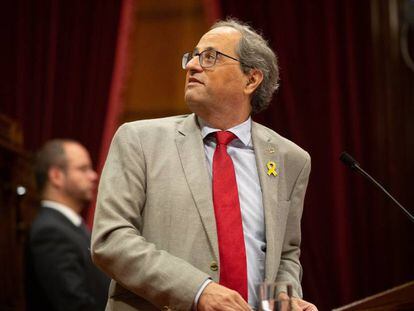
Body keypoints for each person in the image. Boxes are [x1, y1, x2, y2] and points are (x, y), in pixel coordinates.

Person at [91, 18, 317, 311]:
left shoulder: (291, 159)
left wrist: (283, 300)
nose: (192, 66)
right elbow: (111, 239)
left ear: (251, 79)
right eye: (193, 56)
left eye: (210, 57)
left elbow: (285, 253)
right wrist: (197, 291)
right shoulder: (139, 140)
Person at [26, 139, 109, 311]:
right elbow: (74, 304)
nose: (93, 176)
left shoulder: (70, 226)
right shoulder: (49, 231)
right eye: (83, 169)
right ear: (56, 176)